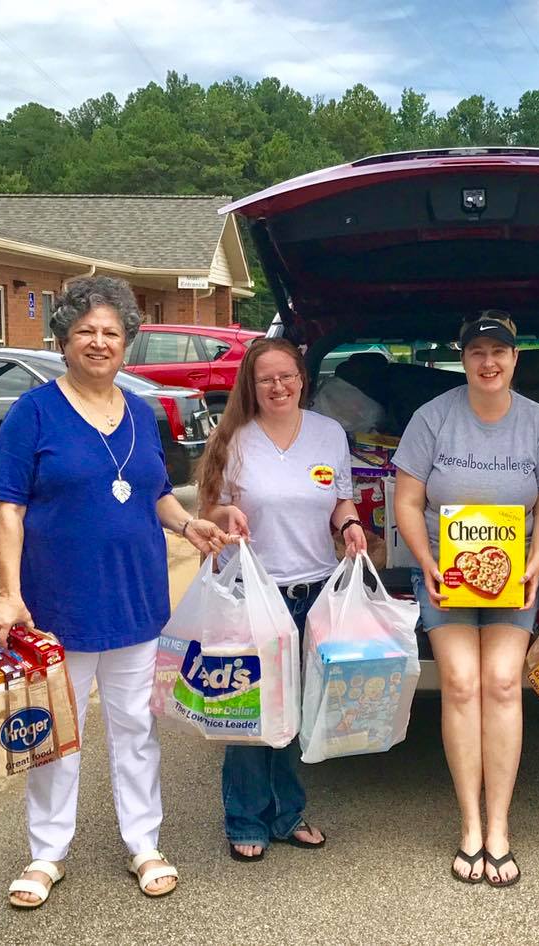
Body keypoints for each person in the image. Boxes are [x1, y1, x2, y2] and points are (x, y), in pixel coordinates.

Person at [0, 276, 230, 909]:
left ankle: (144, 843)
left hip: (137, 603)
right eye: (86, 331)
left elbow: (150, 493)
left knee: (136, 731)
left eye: (111, 333)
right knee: (54, 735)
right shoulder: (32, 413)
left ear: (127, 344)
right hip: (57, 608)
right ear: (64, 338)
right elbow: (8, 509)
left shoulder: (140, 414)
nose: (99, 342)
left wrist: (187, 522)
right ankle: (46, 855)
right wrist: (9, 595)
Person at [393, 313, 539, 887]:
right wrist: (426, 562)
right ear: (462, 359)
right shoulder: (433, 417)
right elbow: (408, 501)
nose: (488, 363)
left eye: (500, 352)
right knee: (462, 684)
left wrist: (537, 561)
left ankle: (500, 827)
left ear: (517, 359)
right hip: (446, 576)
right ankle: (470, 825)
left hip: (514, 577)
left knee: (502, 682)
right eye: (476, 353)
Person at [197, 338, 367, 861]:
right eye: (266, 378)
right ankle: (245, 817)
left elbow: (339, 498)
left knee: (294, 711)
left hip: (312, 590)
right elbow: (209, 510)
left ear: (302, 379)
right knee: (249, 712)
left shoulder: (328, 434)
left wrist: (352, 524)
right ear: (251, 384)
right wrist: (226, 517)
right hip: (253, 592)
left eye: (287, 376)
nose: (278, 387)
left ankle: (287, 813)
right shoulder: (234, 438)